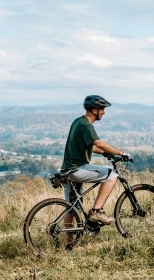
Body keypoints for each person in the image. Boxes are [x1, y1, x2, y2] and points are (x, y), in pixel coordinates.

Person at [61, 95, 132, 230]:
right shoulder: (86, 126)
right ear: (94, 110)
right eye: (102, 109)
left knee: (72, 209)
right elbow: (98, 143)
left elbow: (89, 146)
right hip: (77, 170)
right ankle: (96, 211)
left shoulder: (78, 122)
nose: (104, 112)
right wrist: (121, 153)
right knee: (112, 175)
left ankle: (69, 244)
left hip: (66, 170)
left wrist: (105, 152)